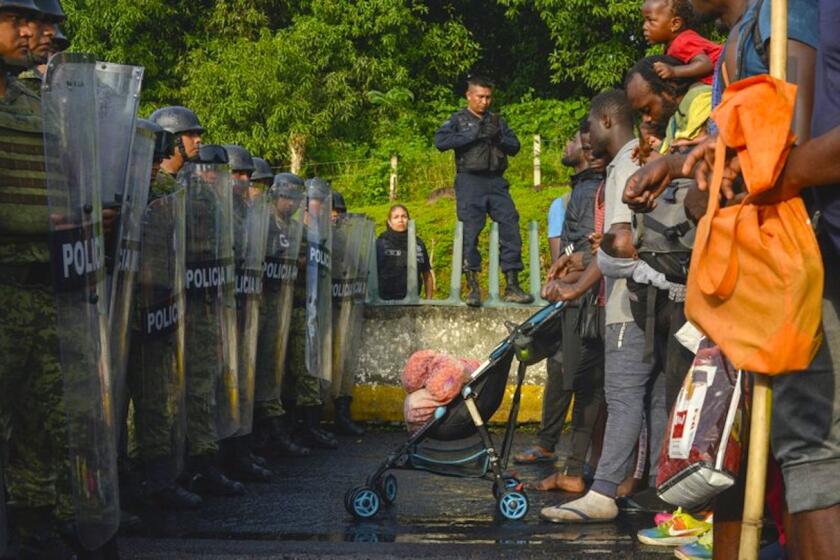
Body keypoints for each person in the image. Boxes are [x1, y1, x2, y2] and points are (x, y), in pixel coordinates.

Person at [623, 1, 820, 556]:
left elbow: (783, 148)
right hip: (747, 269)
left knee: (806, 460)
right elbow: (731, 149)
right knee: (734, 450)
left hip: (789, 262)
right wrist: (684, 168)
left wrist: (724, 177)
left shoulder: (787, 17)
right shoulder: (738, 36)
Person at [540, 90, 667, 524]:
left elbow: (619, 243)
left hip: (626, 300)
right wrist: (579, 265)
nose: (587, 135)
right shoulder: (631, 161)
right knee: (649, 397)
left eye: (590, 126)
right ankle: (653, 487)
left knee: (624, 394)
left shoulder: (626, 164)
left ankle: (605, 491)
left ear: (608, 121)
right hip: (640, 294)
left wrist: (576, 289)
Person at [434, 75, 533, 307]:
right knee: (470, 232)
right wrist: (472, 135)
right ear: (469, 96)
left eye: (488, 97)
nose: (485, 102)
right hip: (470, 180)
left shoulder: (497, 121)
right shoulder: (458, 119)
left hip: (496, 181)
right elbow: (440, 141)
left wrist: (498, 136)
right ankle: (473, 287)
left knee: (510, 225)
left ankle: (512, 284)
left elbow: (515, 146)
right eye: (480, 97)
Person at [641, 0, 722, 85]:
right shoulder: (674, 44)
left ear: (675, 24)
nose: (644, 27)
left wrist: (674, 71)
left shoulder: (682, 42)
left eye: (650, 20)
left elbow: (705, 64)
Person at [375, 204, 434, 301]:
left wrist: (428, 301)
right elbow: (370, 275)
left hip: (412, 303)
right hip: (384, 304)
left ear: (409, 220)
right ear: (389, 222)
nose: (400, 220)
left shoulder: (418, 244)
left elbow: (427, 274)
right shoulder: (381, 243)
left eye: (404, 216)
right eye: (396, 217)